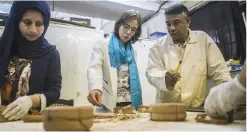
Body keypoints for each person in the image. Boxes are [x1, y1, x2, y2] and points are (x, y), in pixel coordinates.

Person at [145, 4, 231, 107]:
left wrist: (225, 100)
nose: (171, 28)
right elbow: (151, 72)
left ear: (188, 21)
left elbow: (220, 73)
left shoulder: (202, 39)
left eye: (176, 23)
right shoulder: (158, 46)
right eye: (168, 24)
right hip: (167, 110)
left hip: (195, 108)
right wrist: (163, 77)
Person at [0, 1, 62, 120]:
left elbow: (54, 91)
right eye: (27, 22)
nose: (33, 30)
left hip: (33, 121)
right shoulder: (3, 48)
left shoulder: (51, 54)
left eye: (39, 24)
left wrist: (30, 101)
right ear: (16, 20)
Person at [87, 10, 142, 112]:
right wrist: (95, 87)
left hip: (130, 105)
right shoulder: (102, 45)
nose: (129, 32)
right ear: (119, 25)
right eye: (126, 26)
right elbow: (95, 68)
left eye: (133, 29)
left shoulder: (133, 51)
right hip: (108, 104)